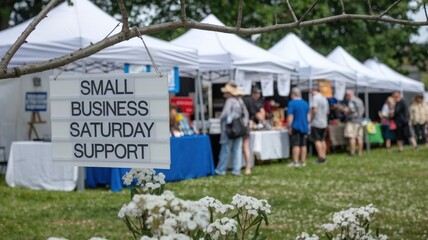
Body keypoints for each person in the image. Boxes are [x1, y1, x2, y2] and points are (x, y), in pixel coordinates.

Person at [215, 82, 249, 176]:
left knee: (225, 149)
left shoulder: (229, 101)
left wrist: (220, 119)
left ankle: (221, 169)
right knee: (237, 149)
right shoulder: (240, 101)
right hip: (238, 129)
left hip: (229, 129)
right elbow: (246, 114)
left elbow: (225, 114)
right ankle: (236, 170)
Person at [242, 85, 265, 175]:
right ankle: (248, 167)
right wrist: (263, 122)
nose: (258, 95)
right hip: (244, 127)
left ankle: (242, 166)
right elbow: (256, 114)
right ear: (253, 93)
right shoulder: (250, 101)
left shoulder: (243, 100)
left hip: (240, 126)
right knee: (245, 146)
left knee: (241, 147)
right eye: (257, 93)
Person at [286, 87, 310, 167]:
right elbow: (308, 116)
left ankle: (295, 161)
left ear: (294, 94)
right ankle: (303, 161)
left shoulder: (292, 103)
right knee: (303, 144)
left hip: (295, 126)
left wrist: (289, 126)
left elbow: (290, 116)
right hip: (304, 125)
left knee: (295, 144)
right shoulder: (305, 103)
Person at [342, 89, 365, 156]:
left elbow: (351, 110)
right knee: (360, 137)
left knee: (352, 137)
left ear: (349, 94)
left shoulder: (351, 101)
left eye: (346, 95)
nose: (346, 96)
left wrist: (345, 110)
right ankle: (360, 152)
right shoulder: (359, 100)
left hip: (352, 121)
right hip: (360, 120)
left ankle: (352, 152)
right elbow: (363, 109)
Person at [310, 87, 329, 163]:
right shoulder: (324, 98)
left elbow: (314, 110)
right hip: (324, 121)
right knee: (322, 139)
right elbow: (327, 111)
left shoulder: (315, 98)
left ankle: (320, 157)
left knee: (317, 140)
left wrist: (310, 118)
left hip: (316, 121)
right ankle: (324, 156)